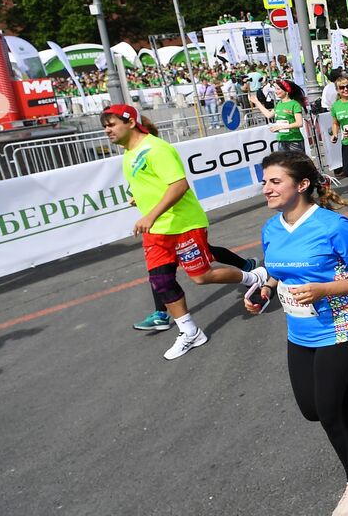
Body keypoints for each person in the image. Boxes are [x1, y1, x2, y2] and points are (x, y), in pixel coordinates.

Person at [245, 150, 348, 516]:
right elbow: (277, 272)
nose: (266, 188)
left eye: (275, 181)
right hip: (300, 332)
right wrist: (265, 289)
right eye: (264, 181)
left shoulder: (334, 226)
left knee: (331, 412)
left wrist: (324, 289)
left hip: (340, 328)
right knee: (312, 409)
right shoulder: (271, 228)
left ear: (302, 185)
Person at [104, 105, 267, 358]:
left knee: (200, 277)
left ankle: (252, 278)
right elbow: (149, 184)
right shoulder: (129, 154)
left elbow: (179, 186)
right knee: (161, 280)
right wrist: (137, 198)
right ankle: (190, 332)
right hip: (157, 231)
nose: (107, 130)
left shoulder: (156, 148)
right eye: (105, 125)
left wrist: (150, 214)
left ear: (131, 123)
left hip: (183, 225)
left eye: (111, 124)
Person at [328, 72, 348, 182]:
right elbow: (335, 123)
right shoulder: (336, 105)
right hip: (347, 141)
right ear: (337, 90)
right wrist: (335, 135)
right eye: (342, 87)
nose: (346, 89)